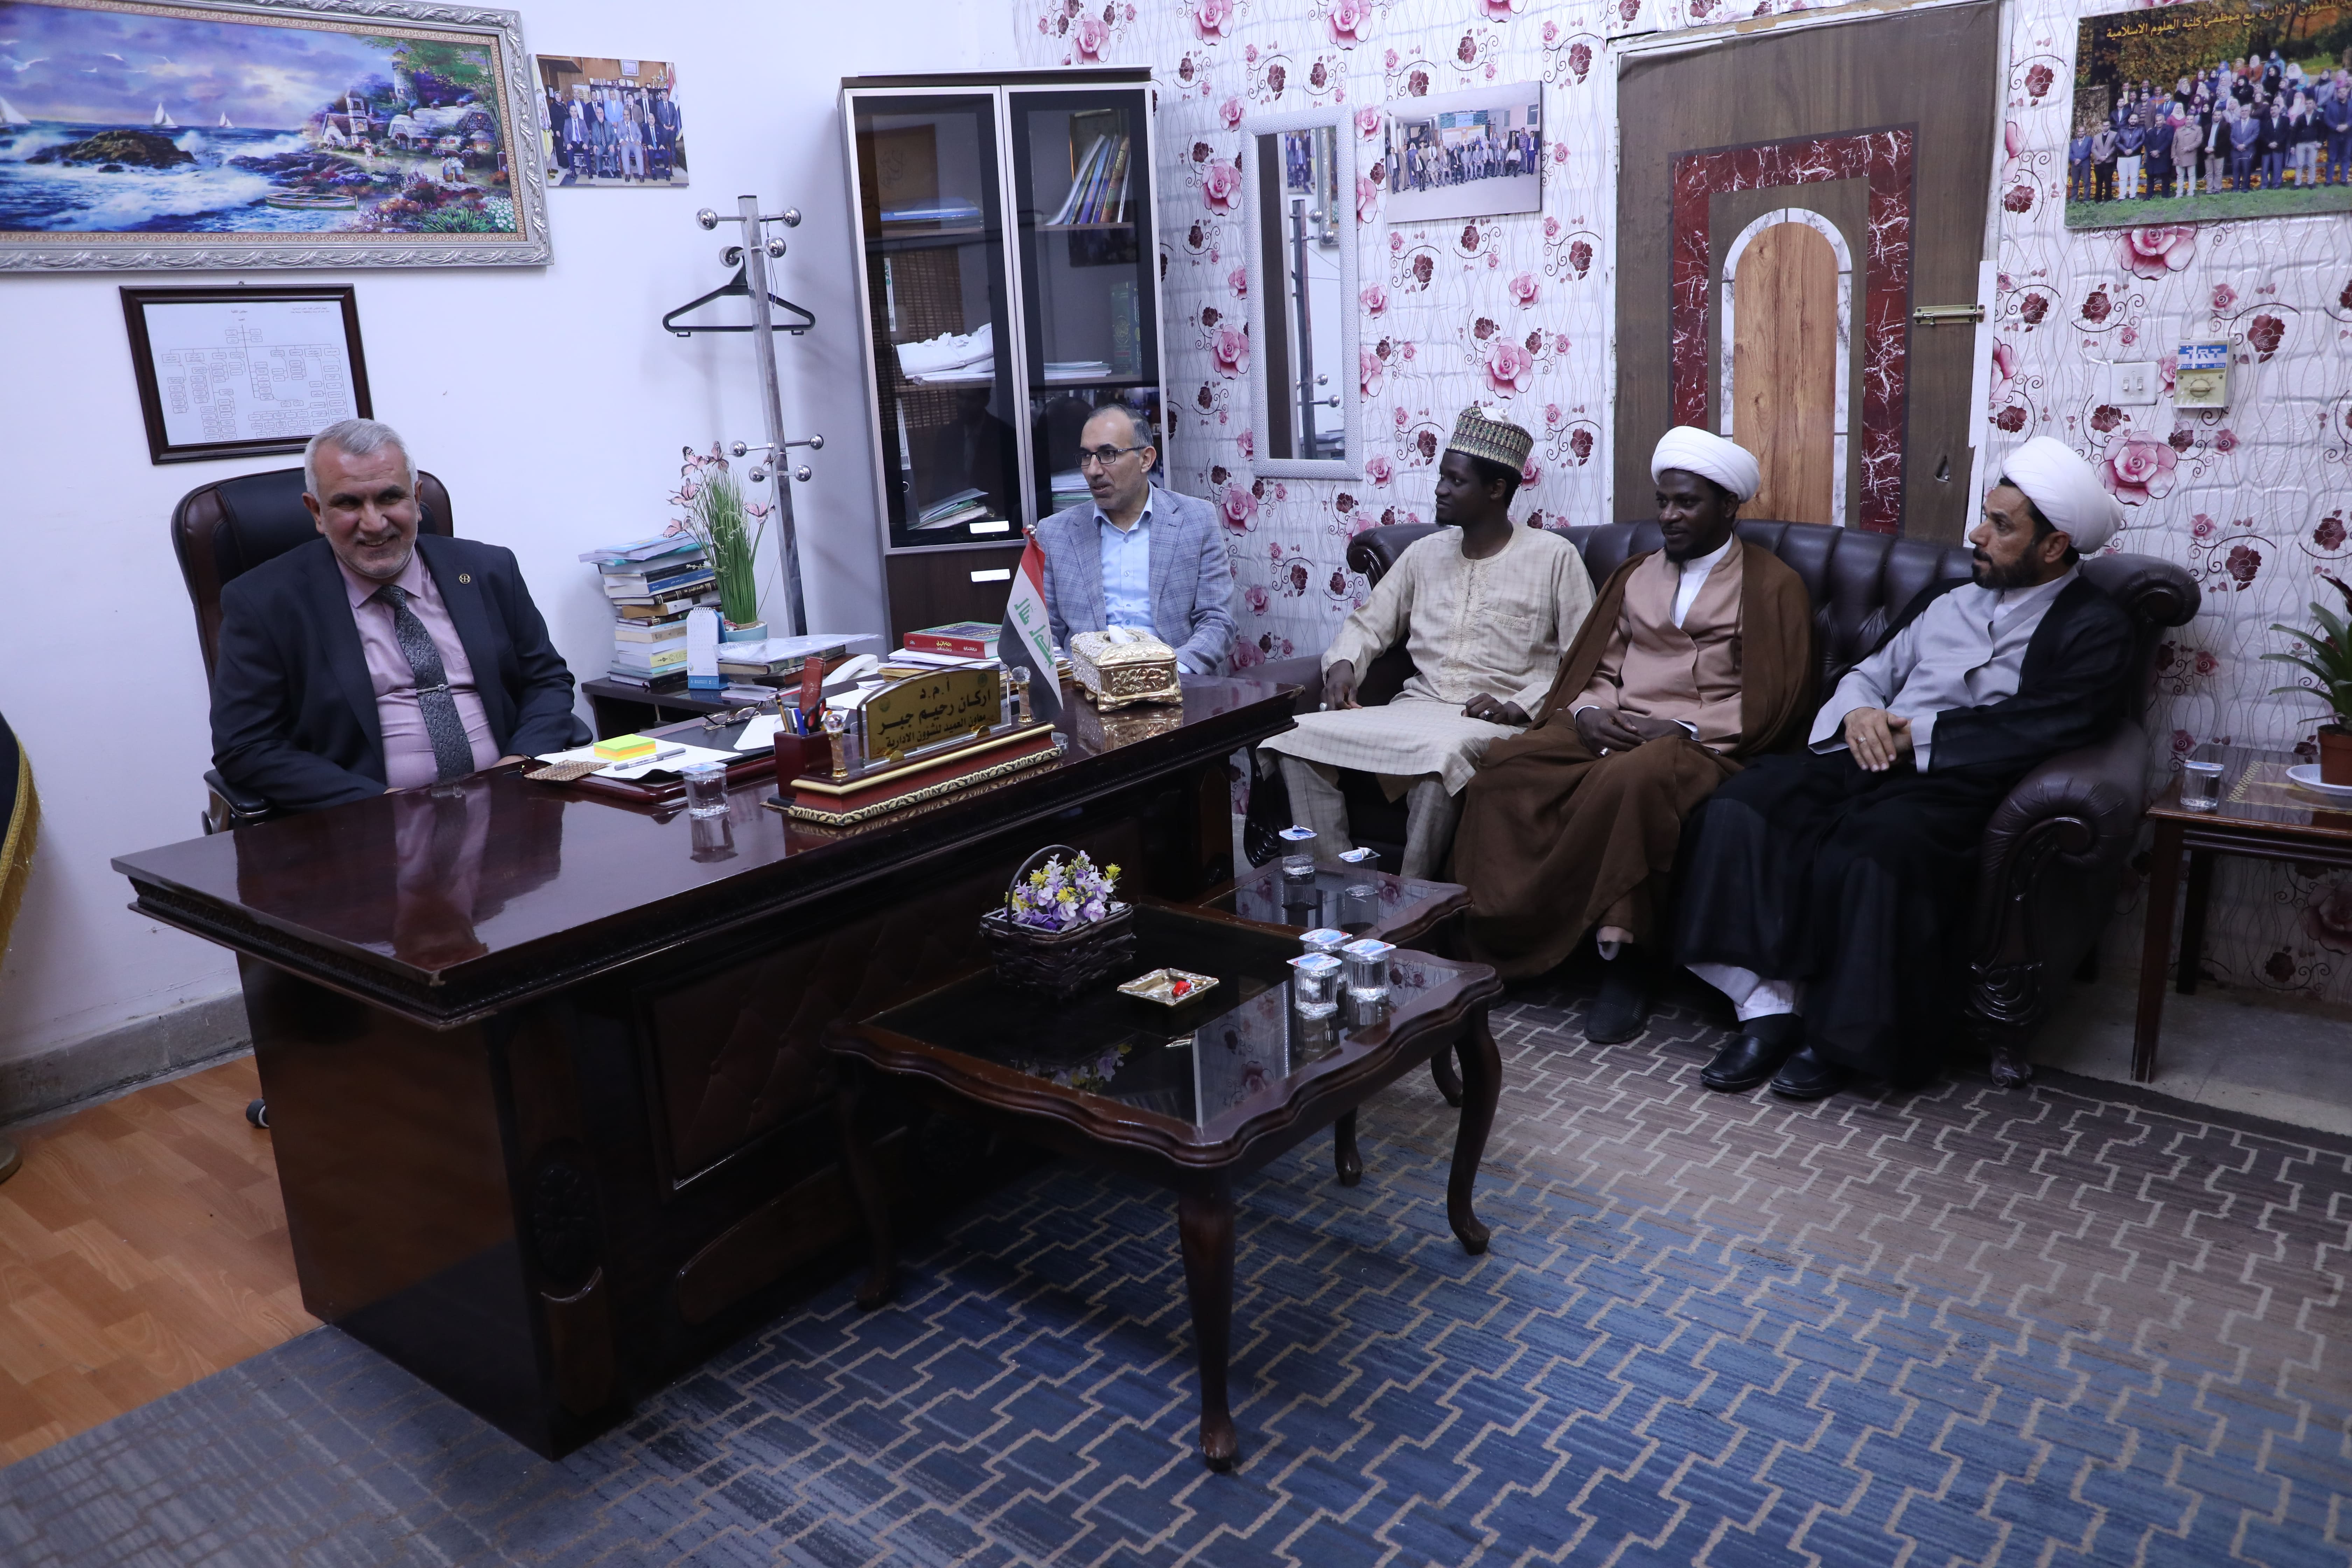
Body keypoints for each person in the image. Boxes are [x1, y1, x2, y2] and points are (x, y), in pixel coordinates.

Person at [1671, 437, 2136, 1102]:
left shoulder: (2095, 627)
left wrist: (1913, 735)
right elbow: (1871, 672)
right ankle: (1766, 1008)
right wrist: (1861, 713)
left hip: (1959, 782)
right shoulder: (1946, 598)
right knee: (1742, 805)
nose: (1976, 535)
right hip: (1864, 756)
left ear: (2054, 546)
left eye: (2001, 526)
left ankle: (1836, 1039)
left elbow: (2047, 724)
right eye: (1985, 517)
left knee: (1876, 852)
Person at [1449, 428, 1813, 1041]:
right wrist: (1589, 714)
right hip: (1614, 728)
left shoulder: (1773, 585)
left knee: (1637, 777)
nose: (1669, 516)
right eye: (1663, 502)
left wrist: (1683, 726)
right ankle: (1501, 940)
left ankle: (1626, 959)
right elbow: (1600, 669)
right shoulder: (1636, 575)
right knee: (1503, 768)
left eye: (1687, 503)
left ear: (1729, 506)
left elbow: (1774, 701)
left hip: (1705, 745)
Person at [1263, 408, 1594, 878]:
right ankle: (1340, 884)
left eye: (1456, 481)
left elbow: (1583, 661)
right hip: (1416, 709)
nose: (1440, 489)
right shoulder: (1424, 554)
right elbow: (1368, 624)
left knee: (1443, 762)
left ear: (1496, 490)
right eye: (1442, 476)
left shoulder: (1554, 557)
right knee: (1294, 737)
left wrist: (1519, 704)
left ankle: (1414, 901)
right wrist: (1342, 665)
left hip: (1493, 721)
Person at [210, 419, 589, 814]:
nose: (374, 523)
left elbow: (546, 680)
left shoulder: (488, 570)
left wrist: (519, 762)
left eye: (390, 498)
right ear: (317, 512)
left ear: (417, 498)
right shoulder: (264, 602)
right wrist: (376, 803)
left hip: (511, 806)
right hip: (366, 824)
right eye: (348, 503)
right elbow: (246, 745)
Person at [1033, 405, 1235, 674]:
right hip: (1087, 684)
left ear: (1146, 459)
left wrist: (1173, 673)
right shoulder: (1054, 533)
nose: (1093, 470)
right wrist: (1069, 675)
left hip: (1174, 681)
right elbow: (1042, 630)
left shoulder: (1197, 520)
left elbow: (1217, 621)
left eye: (1108, 454)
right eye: (1086, 456)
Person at [2092, 121, 2119, 201]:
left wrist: (2107, 156)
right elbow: (2093, 148)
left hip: (2109, 161)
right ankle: (2098, 198)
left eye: (2107, 126)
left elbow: (2115, 147)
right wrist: (2099, 157)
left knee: (2108, 181)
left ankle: (2108, 198)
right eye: (2104, 126)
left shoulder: (2115, 135)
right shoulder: (2096, 137)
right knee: (2099, 181)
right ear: (2102, 126)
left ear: (2110, 126)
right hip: (2099, 162)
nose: (2106, 127)